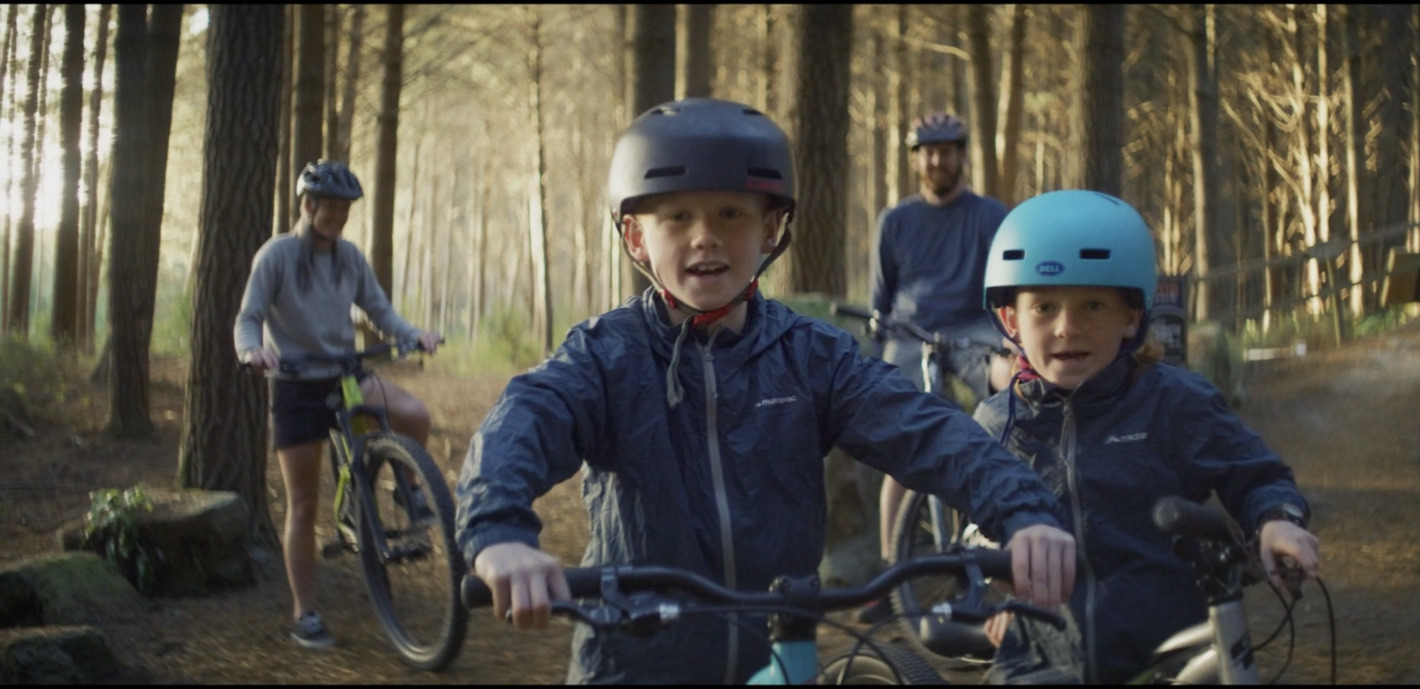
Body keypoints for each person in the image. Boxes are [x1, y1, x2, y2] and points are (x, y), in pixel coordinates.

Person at [454, 98, 1079, 685]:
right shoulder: (604, 357)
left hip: (780, 652)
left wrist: (1022, 510)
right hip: (632, 657)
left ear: (771, 227)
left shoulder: (812, 357)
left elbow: (928, 429)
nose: (706, 235)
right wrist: (500, 535)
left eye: (731, 213)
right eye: (678, 216)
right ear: (638, 237)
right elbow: (524, 421)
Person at [974, 189, 1322, 684]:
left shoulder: (1173, 403)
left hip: (1165, 658)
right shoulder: (997, 423)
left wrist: (1275, 521)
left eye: (1092, 306)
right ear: (1011, 319)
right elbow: (973, 525)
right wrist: (995, 582)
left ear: (1131, 316)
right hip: (1041, 660)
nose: (1067, 328)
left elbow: (1255, 474)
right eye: (1044, 307)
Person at [234, 159, 442, 649]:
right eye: (332, 209)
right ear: (308, 205)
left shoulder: (349, 257)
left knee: (414, 414)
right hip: (296, 386)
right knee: (303, 505)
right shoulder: (276, 256)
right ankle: (304, 613)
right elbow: (249, 317)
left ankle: (405, 489)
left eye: (345, 210)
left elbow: (380, 312)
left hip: (346, 377)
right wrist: (251, 350)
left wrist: (414, 335)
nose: (340, 219)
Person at [861, 111, 1011, 623]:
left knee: (1012, 384)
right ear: (914, 160)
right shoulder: (895, 221)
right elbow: (880, 302)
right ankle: (887, 577)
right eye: (927, 151)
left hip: (974, 330)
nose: (937, 160)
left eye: (946, 150)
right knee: (900, 440)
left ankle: (1015, 529)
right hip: (909, 334)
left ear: (962, 155)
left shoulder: (990, 215)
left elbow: (1004, 292)